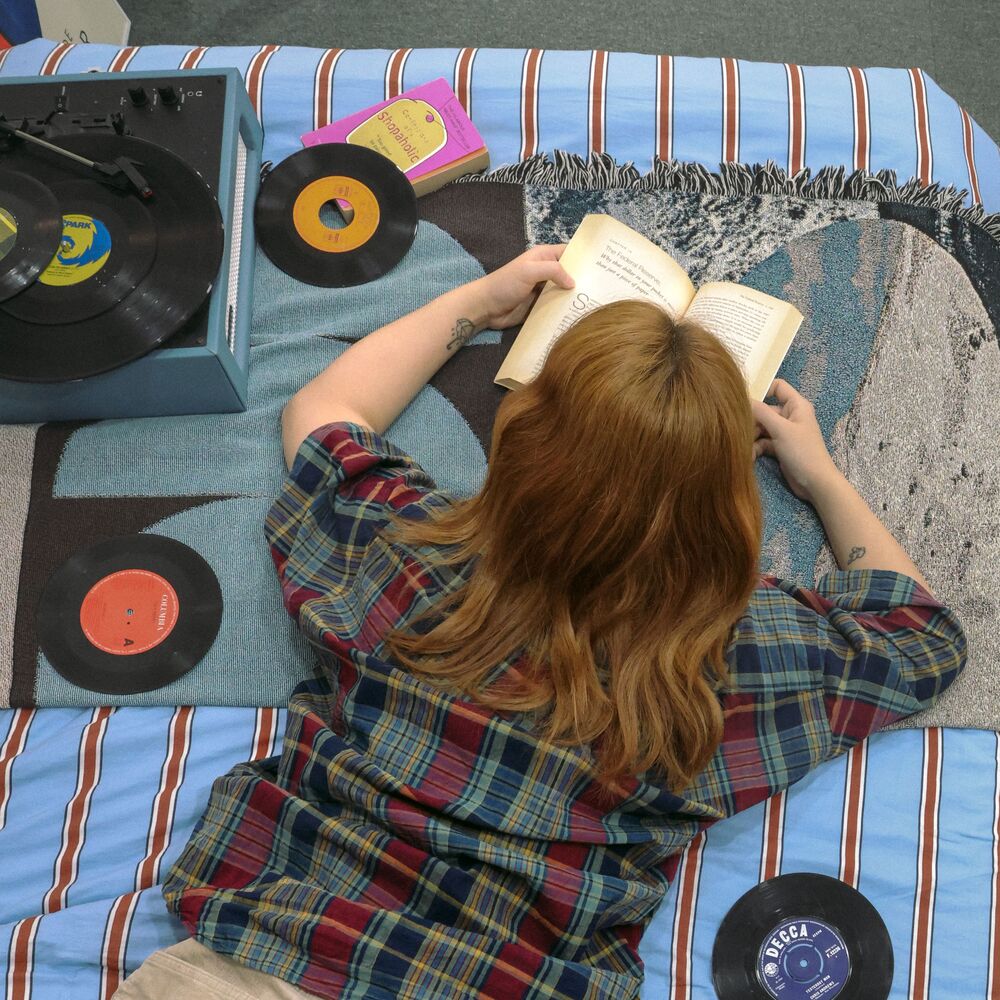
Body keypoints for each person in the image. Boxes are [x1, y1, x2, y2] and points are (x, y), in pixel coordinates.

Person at [116, 245, 966, 999]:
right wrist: (820, 477)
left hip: (272, 947)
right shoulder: (736, 671)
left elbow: (326, 410)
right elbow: (920, 632)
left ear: (522, 434)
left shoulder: (408, 559)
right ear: (727, 501)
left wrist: (477, 302)